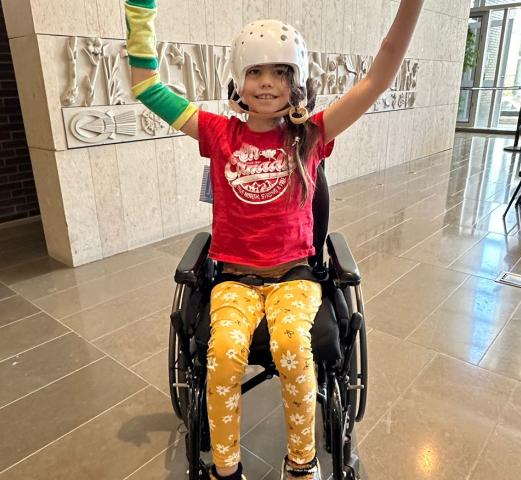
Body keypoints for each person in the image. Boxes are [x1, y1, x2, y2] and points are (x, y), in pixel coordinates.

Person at [123, 1, 423, 478]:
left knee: (292, 350)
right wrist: (140, 13)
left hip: (295, 279)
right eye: (255, 71)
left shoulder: (311, 135)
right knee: (221, 356)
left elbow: (377, 79)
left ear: (296, 82)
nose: (266, 82)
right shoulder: (218, 133)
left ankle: (301, 465)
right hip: (233, 281)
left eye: (280, 73)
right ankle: (227, 468)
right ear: (237, 80)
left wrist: (411, 7)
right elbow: (146, 87)